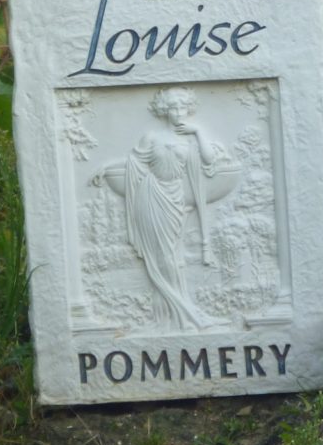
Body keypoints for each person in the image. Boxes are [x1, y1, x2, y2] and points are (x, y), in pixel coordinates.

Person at [92, 87, 233, 330]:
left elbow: (209, 160)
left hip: (175, 196)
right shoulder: (151, 137)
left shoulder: (189, 138)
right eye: (173, 108)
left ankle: (176, 314)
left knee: (173, 253)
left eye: (182, 108)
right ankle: (183, 313)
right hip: (151, 193)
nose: (178, 113)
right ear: (164, 110)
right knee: (165, 253)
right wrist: (105, 168)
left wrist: (198, 132)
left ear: (187, 109)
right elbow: (133, 162)